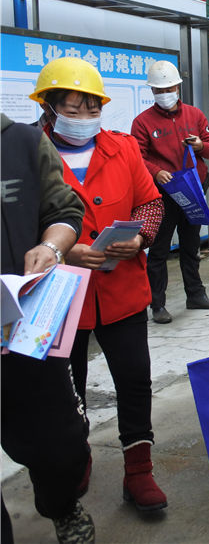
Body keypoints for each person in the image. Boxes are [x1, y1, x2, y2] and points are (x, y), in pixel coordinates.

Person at [29, 57, 169, 513]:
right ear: (49, 108)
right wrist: (60, 250)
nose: (85, 118)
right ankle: (78, 458)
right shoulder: (27, 153)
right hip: (59, 296)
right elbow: (17, 223)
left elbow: (150, 203)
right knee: (67, 388)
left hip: (121, 289)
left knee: (134, 378)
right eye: (74, 109)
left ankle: (139, 470)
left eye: (93, 109)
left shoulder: (122, 148)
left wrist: (140, 238)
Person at [1, 111, 93, 544]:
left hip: (25, 329)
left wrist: (51, 248)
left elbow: (65, 210)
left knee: (59, 446)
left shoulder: (21, 142)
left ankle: (61, 506)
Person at [131, 60, 209, 324]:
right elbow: (137, 157)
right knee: (159, 250)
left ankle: (196, 294)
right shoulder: (142, 122)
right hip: (163, 195)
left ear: (178, 87)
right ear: (152, 91)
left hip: (192, 192)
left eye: (169, 89)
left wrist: (200, 145)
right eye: (159, 90)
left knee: (191, 246)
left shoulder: (194, 115)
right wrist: (156, 171)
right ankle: (157, 304)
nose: (165, 94)